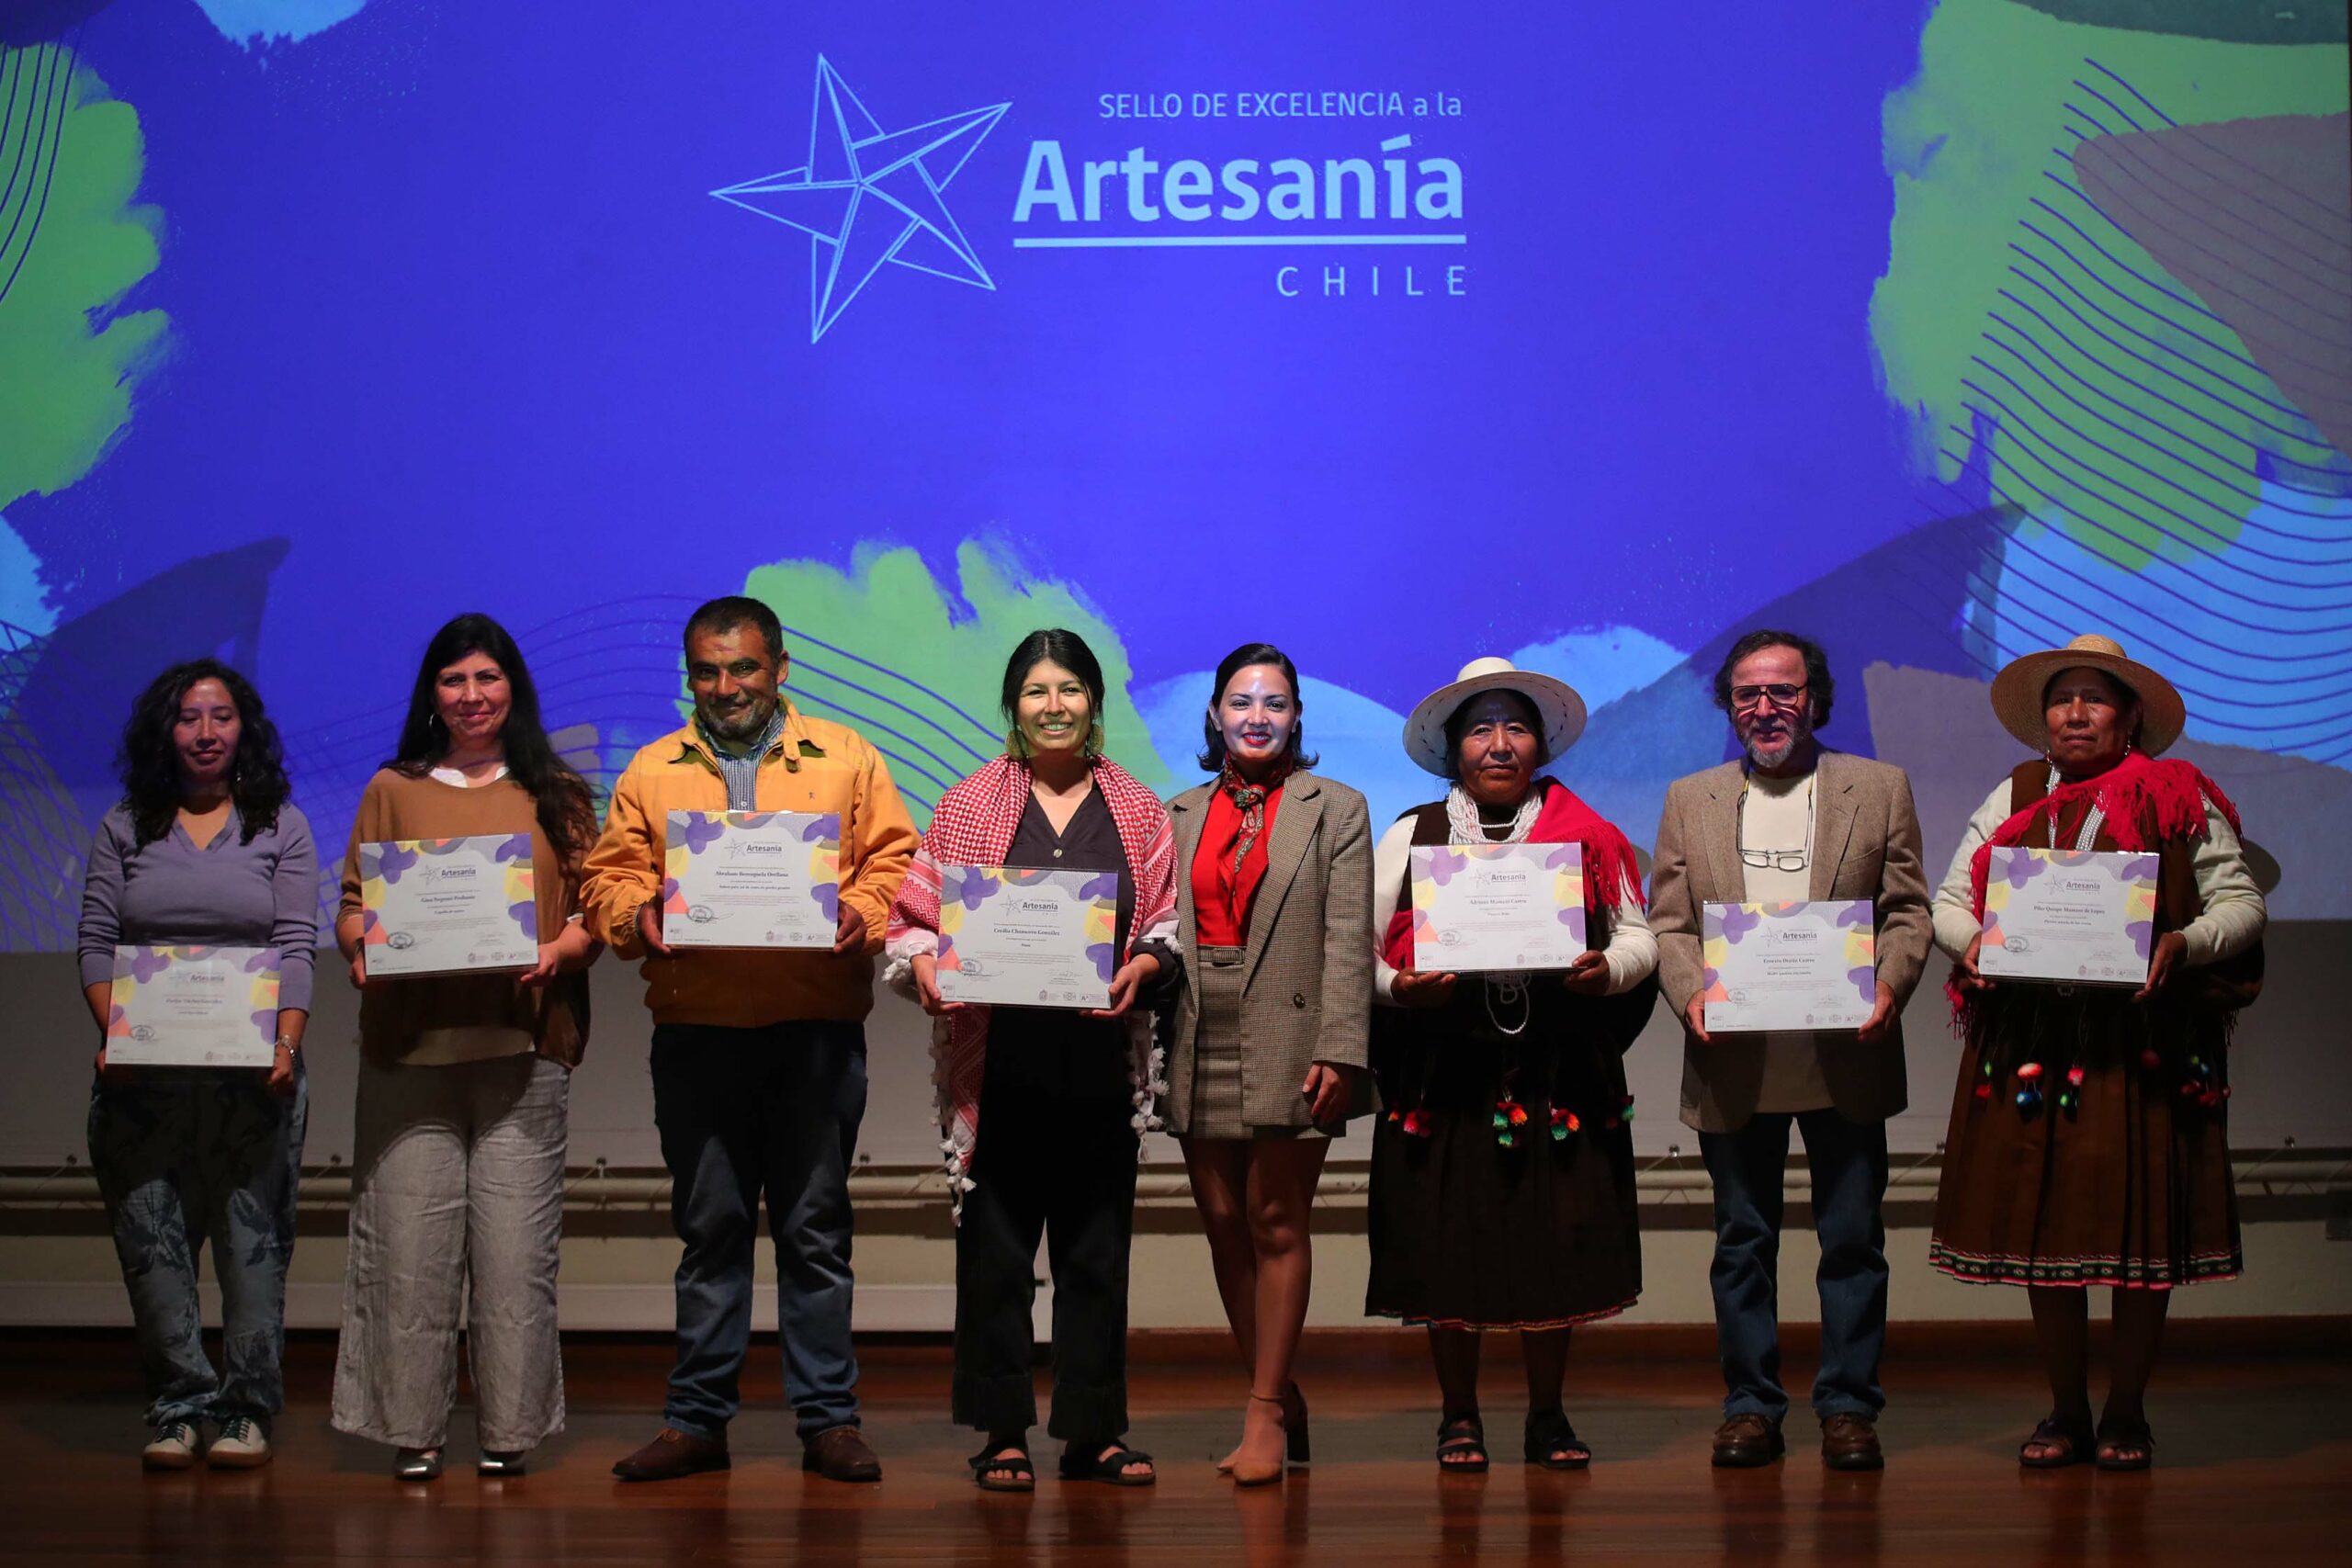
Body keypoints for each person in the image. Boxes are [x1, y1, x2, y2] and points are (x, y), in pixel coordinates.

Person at [582, 595, 917, 1483]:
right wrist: (638, 914)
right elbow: (609, 876)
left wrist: (862, 910)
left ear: (779, 668)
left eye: (743, 668)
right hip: (698, 1034)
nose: (725, 686)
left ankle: (829, 1421)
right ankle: (696, 1422)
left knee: (816, 1233)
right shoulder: (652, 768)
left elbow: (897, 861)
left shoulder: (846, 756)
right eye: (706, 670)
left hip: (816, 1032)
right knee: (711, 1232)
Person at [1928, 634, 2264, 1472]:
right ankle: (2067, 1410)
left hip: (2141, 1044)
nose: (2075, 712)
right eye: (2061, 698)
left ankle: (2127, 1411)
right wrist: (1972, 943)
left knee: (2140, 1236)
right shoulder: (2014, 792)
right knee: (2047, 1231)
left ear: (2131, 716)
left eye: (2095, 698)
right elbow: (1949, 899)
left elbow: (2240, 902)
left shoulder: (2177, 793)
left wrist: (2182, 942)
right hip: (2036, 1044)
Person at [887, 629, 1177, 1492]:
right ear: (1013, 706)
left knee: (1096, 1254)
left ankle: (1093, 1430)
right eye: (1036, 691)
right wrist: (925, 965)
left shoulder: (1138, 808)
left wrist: (1144, 965)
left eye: (1071, 689)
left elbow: (1164, 925)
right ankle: (1003, 1429)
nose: (1054, 706)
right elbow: (912, 920)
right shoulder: (968, 804)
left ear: (1095, 701)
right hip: (999, 1062)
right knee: (997, 1255)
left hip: (1097, 1060)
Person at [1365, 657, 1658, 1472]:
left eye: (1517, 727)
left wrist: (1609, 970)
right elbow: (1355, 949)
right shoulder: (1411, 834)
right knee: (1443, 1239)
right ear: (1454, 748)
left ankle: (1548, 1415)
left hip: (1555, 1074)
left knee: (1551, 1241)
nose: (1499, 743)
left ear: (1541, 746)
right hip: (1443, 1074)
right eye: (1481, 729)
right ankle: (1458, 1416)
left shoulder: (1588, 835)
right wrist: (1398, 986)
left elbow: (1640, 937)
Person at [1648, 629, 1931, 1472]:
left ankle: (1849, 1407)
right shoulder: (1689, 797)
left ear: (1815, 699)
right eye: (1748, 694)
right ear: (1729, 704)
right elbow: (1670, 925)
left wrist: (1891, 985)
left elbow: (1908, 912)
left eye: (1783, 691)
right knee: (1743, 1245)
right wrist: (1689, 992)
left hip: (1848, 1051)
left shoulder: (1878, 787)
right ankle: (1750, 1406)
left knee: (1853, 1243)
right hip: (1733, 1059)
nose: (1765, 708)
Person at [328, 614, 603, 1481]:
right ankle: (412, 1427)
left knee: (516, 1253)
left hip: (524, 1046)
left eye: (487, 677)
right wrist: (361, 948)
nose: (472, 695)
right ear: (432, 693)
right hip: (411, 1050)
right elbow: (352, 906)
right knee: (407, 1249)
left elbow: (595, 909)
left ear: (513, 686)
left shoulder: (556, 789)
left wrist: (560, 950)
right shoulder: (392, 786)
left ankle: (509, 1429)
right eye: (454, 679)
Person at [76, 659, 317, 1470]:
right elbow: (96, 944)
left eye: (221, 716)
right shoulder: (124, 826)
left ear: (244, 728)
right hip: (142, 1083)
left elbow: (296, 945)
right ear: (165, 730)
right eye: (188, 717)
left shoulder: (279, 824)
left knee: (254, 1251)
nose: (206, 732)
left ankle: (246, 1411)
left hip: (255, 1080)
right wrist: (118, 1037)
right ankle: (178, 1407)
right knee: (154, 1249)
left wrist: (286, 1045)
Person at [1161, 644, 1373, 1485]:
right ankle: (1280, 1392)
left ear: (1297, 717)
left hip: (1294, 1028)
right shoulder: (1176, 811)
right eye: (1242, 702)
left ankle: (1261, 1413)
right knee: (1222, 1220)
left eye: (1275, 703)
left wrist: (1341, 1047)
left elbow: (1348, 938)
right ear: (1215, 714)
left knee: (1275, 1218)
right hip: (1196, 1024)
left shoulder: (1337, 808)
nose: (1258, 717)